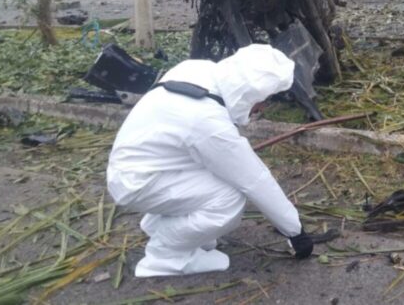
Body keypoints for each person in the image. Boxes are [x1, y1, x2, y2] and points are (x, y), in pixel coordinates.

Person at [106, 44, 313, 277]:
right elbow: (253, 179)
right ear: (247, 92)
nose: (264, 106)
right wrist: (295, 231)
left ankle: (164, 229)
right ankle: (166, 256)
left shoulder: (198, 70)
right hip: (138, 182)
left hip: (142, 167)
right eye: (264, 99)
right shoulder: (206, 121)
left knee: (217, 179)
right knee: (229, 199)